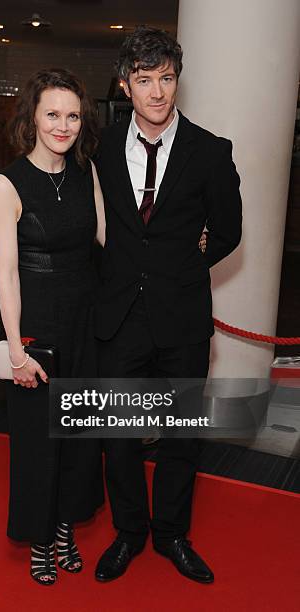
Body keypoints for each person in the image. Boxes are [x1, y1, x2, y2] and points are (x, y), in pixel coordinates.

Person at [94, 27, 242, 583]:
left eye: (167, 78)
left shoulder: (210, 150)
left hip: (181, 318)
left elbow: (228, 230)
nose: (157, 92)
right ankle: (129, 532)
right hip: (120, 319)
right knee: (119, 435)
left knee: (181, 433)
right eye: (144, 79)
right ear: (126, 84)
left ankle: (172, 534)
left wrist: (184, 264)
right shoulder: (103, 147)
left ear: (176, 80)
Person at [0, 68, 106, 585]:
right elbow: (7, 275)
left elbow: (108, 241)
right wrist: (16, 350)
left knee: (80, 438)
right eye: (53, 114)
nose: (63, 125)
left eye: (73, 115)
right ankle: (39, 538)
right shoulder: (6, 183)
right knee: (38, 440)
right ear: (32, 117)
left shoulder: (88, 174)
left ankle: (63, 528)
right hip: (37, 329)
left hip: (86, 324)